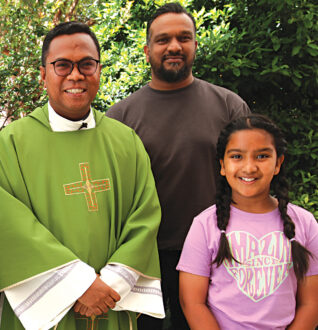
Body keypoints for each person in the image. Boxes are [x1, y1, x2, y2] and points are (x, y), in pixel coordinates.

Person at [0, 21, 164, 330]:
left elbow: (145, 215)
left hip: (110, 300)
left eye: (87, 64)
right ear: (44, 73)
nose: (76, 75)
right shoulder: (13, 143)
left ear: (98, 70)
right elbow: (10, 227)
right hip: (41, 312)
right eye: (62, 65)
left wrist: (109, 283)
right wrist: (81, 285)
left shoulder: (125, 141)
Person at [106, 3, 251, 329]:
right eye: (163, 39)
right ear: (147, 50)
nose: (174, 46)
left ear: (195, 45)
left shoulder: (229, 107)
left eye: (184, 38)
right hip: (142, 259)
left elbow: (252, 182)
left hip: (216, 255)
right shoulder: (119, 119)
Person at [177, 114, 318, 329]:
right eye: (237, 156)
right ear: (222, 165)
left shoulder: (305, 223)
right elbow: (192, 302)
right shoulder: (204, 225)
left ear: (278, 163)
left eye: (262, 156)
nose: (249, 167)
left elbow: (311, 303)